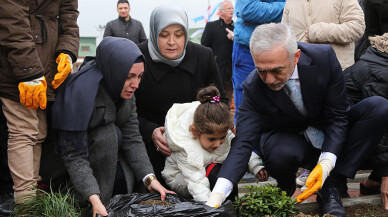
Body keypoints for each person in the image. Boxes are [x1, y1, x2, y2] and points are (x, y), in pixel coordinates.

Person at [205, 23, 388, 217]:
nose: (268, 79)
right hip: (293, 140)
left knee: (379, 107)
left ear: (296, 57)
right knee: (278, 152)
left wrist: (326, 164)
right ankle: (286, 183)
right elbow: (243, 143)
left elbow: (338, 116)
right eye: (261, 71)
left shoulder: (324, 58)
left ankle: (332, 184)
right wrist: (217, 194)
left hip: (330, 133)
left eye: (276, 70)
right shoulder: (253, 86)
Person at [51, 37, 174, 217]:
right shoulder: (79, 94)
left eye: (140, 76)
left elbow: (132, 137)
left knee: (117, 136)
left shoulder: (125, 90)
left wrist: (150, 178)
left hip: (107, 165)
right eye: (129, 76)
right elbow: (73, 156)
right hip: (72, 173)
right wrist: (93, 197)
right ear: (113, 70)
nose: (136, 84)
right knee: (109, 135)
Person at [135, 4, 225, 186]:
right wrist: (150, 131)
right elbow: (125, 110)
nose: (171, 42)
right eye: (164, 35)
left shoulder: (203, 56)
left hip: (197, 145)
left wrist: (202, 125)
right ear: (153, 33)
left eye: (178, 34)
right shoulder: (138, 57)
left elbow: (220, 99)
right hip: (153, 146)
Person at [0, 0, 79, 204]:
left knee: (38, 132)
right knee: (24, 131)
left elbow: (69, 17)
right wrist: (28, 72)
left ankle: (32, 199)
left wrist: (67, 52)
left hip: (45, 67)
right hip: (17, 65)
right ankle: (26, 203)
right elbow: (12, 20)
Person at [162, 86, 267, 202]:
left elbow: (238, 150)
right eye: (211, 139)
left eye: (221, 138)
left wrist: (256, 165)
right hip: (183, 178)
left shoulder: (224, 134)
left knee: (229, 172)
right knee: (214, 173)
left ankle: (231, 204)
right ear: (195, 131)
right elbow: (196, 182)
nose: (217, 144)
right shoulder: (185, 147)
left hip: (210, 168)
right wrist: (210, 206)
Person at [343, 33, 388, 209]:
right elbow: (382, 126)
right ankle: (379, 180)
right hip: (344, 145)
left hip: (362, 139)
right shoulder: (381, 73)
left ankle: (372, 183)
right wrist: (386, 174)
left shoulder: (380, 61)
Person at [232, 0, 285, 122]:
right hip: (248, 51)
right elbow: (249, 9)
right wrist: (285, 8)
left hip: (282, 48)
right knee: (247, 109)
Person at [281, 0, 365, 70]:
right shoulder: (290, 1)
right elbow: (284, 35)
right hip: (301, 71)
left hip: (336, 70)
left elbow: (357, 27)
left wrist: (318, 32)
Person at [201, 1, 235, 105]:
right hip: (217, 68)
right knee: (216, 95)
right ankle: (216, 109)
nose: (232, 10)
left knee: (228, 94)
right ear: (221, 12)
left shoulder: (237, 28)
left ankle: (226, 110)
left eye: (232, 8)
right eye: (228, 8)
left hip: (232, 69)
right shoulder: (211, 26)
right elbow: (204, 46)